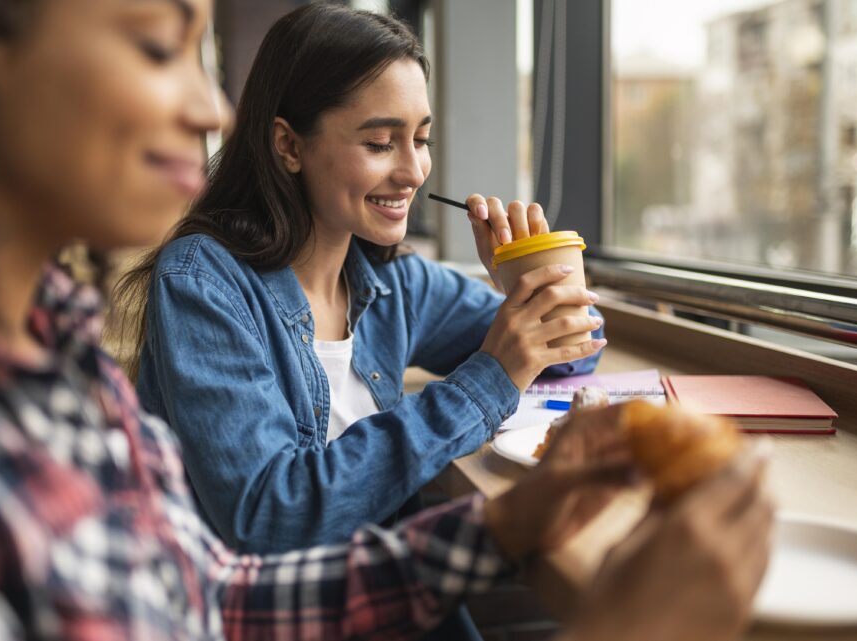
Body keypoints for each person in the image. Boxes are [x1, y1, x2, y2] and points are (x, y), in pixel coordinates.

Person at [0, 1, 773, 640]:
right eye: (159, 46)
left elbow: (213, 596)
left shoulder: (69, 355)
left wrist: (536, 276)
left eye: (422, 140)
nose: (207, 104)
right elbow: (268, 521)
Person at [117, 3, 607, 559]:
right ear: (289, 145)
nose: (414, 171)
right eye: (380, 143)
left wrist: (522, 273)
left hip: (385, 594)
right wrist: (491, 379)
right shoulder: (203, 284)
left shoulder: (393, 282)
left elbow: (579, 346)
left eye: (421, 139)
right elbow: (269, 517)